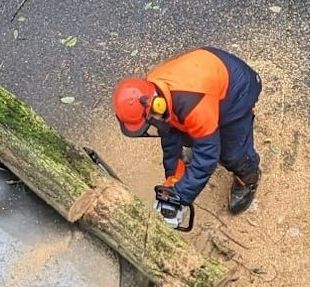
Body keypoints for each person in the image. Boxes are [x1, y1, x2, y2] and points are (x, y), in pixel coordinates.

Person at [112, 48, 263, 231]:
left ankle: (248, 178)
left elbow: (208, 156)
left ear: (156, 106)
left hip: (237, 91)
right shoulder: (155, 91)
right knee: (188, 135)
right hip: (206, 84)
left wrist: (182, 196)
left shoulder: (193, 105)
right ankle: (200, 146)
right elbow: (169, 133)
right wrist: (172, 179)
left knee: (231, 153)